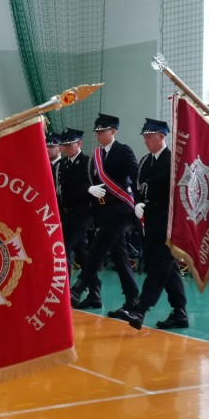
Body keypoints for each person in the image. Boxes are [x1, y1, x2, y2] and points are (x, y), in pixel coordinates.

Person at [116, 119, 188, 330]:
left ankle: (141, 308)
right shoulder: (146, 161)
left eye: (150, 136)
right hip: (150, 220)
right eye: (145, 137)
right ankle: (180, 313)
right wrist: (137, 202)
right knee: (168, 267)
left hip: (169, 219)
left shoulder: (173, 160)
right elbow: (138, 187)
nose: (146, 141)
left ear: (162, 136)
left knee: (160, 264)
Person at [70, 113, 140, 311]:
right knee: (119, 256)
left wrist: (139, 202)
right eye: (97, 131)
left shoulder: (123, 150)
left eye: (103, 131)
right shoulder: (97, 155)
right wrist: (88, 190)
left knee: (97, 248)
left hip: (121, 209)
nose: (99, 134)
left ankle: (79, 287)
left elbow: (135, 177)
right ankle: (133, 300)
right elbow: (88, 180)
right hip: (104, 211)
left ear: (114, 131)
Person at [57, 128, 92, 271]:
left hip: (81, 214)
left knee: (63, 249)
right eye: (64, 145)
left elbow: (88, 185)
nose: (66, 148)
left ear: (79, 144)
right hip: (66, 214)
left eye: (69, 145)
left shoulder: (87, 162)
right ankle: (94, 288)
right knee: (82, 253)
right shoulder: (62, 164)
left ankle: (68, 291)